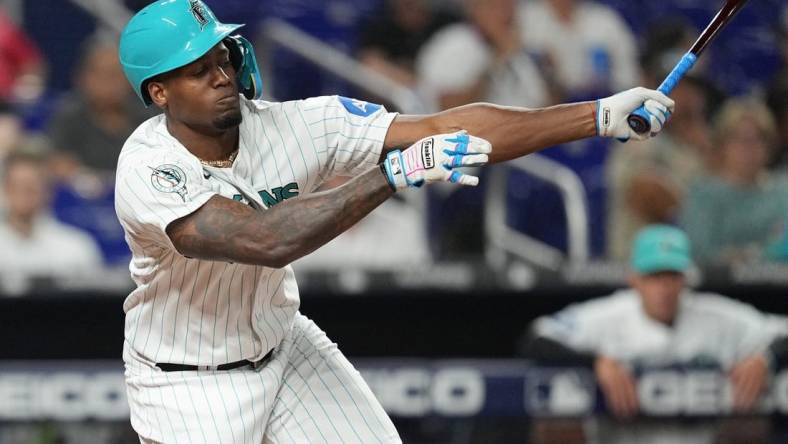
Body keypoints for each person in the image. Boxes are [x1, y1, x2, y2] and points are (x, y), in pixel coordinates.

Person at [115, 1, 673, 442]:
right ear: (159, 92)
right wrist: (395, 174)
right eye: (198, 71)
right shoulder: (148, 168)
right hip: (184, 380)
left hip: (283, 348)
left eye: (222, 58)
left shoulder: (299, 124)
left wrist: (597, 115)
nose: (221, 76)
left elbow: (444, 126)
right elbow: (266, 239)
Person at [522, 224, 788, 443]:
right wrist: (594, 362)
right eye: (654, 276)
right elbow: (537, 339)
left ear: (685, 278)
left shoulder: (717, 317)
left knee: (752, 412)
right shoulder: (607, 316)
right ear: (634, 278)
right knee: (556, 412)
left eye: (671, 275)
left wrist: (766, 358)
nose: (664, 287)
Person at [680, 98, 787, 264]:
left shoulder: (783, 190)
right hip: (715, 285)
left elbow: (782, 245)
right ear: (722, 145)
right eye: (740, 140)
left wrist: (748, 256)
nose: (748, 149)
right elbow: (698, 249)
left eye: (758, 139)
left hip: (777, 285)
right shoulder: (703, 194)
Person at [47, 34, 155, 178]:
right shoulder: (67, 119)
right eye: (102, 74)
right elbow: (58, 166)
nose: (109, 83)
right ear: (83, 76)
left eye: (116, 74)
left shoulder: (148, 119)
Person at [0, 150, 103, 296]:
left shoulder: (76, 247)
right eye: (16, 187)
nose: (23, 195)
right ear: (5, 190)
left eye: (31, 188)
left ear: (47, 191)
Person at [416, 0, 550, 111]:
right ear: (476, 11)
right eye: (497, 7)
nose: (507, 14)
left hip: (528, 133)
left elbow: (546, 103)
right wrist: (497, 62)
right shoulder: (454, 44)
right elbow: (448, 108)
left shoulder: (519, 46)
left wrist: (547, 70)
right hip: (470, 138)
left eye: (510, 6)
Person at [518, 0, 640, 100]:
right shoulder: (524, 20)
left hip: (603, 111)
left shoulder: (604, 20)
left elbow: (630, 79)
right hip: (547, 114)